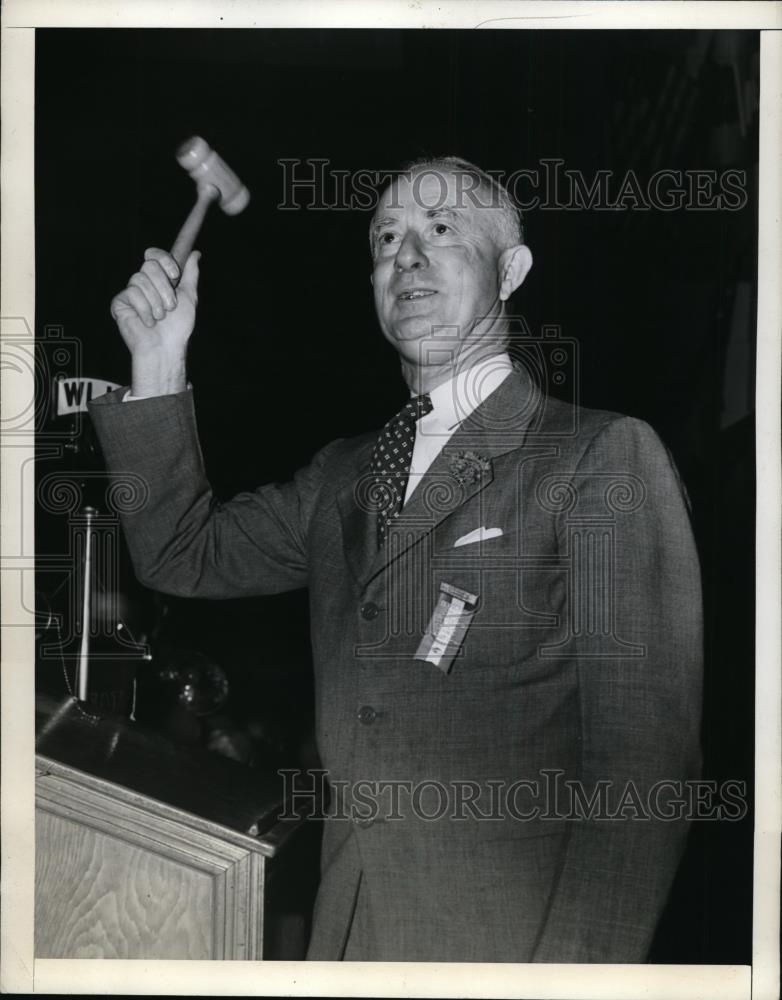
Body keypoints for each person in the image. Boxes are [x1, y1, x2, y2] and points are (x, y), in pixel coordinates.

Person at [89, 156, 703, 962]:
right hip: (351, 934)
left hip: (507, 952)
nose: (404, 255)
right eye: (385, 238)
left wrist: (574, 980)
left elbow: (645, 768)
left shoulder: (596, 455)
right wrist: (159, 362)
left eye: (440, 230)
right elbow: (180, 554)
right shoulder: (346, 471)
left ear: (510, 270)